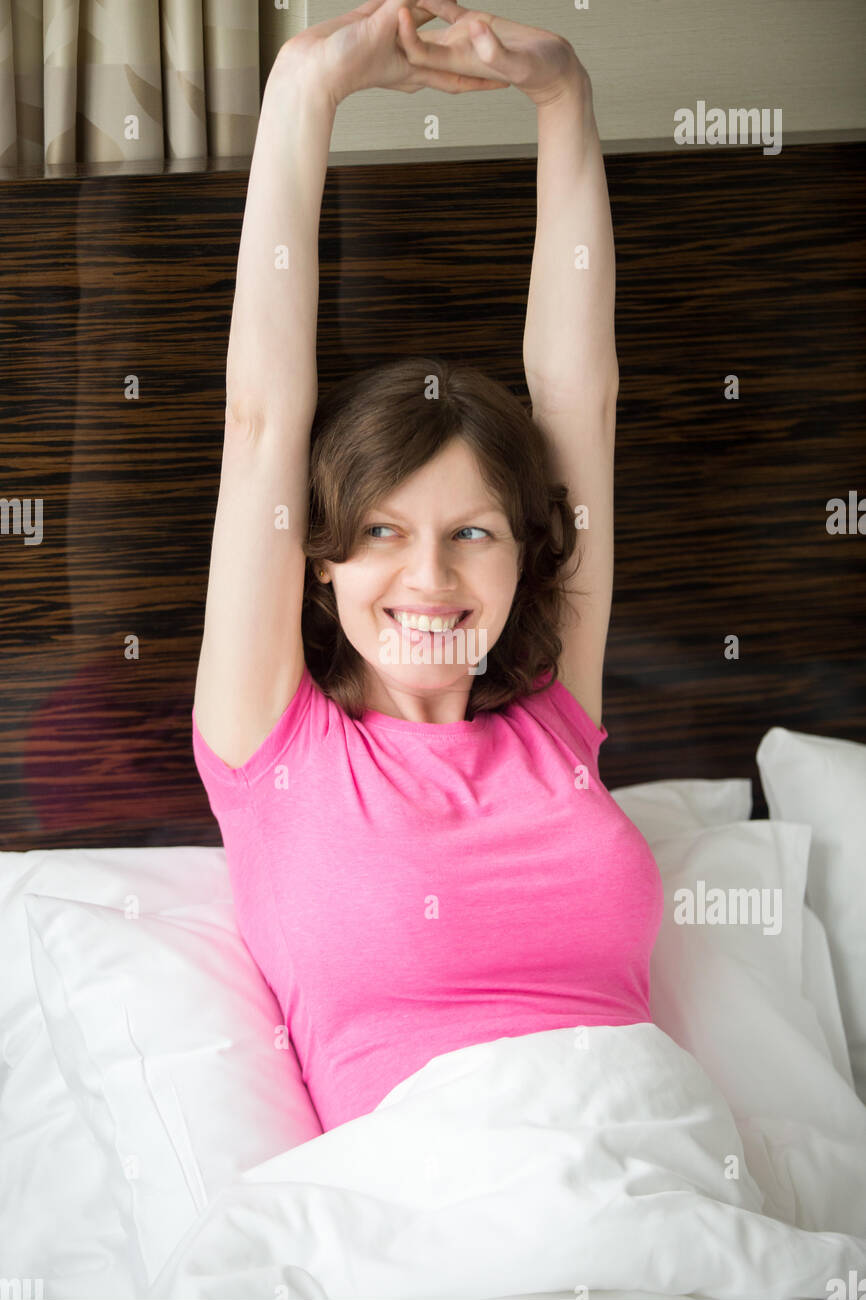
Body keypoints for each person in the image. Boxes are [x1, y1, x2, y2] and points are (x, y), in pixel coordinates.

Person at [191, 0, 663, 1133]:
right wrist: (305, 86)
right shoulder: (275, 744)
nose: (431, 578)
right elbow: (262, 419)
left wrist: (563, 97)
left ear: (525, 552)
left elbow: (575, 395)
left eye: (474, 531)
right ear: (319, 563)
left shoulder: (553, 717)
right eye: (384, 532)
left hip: (650, 1162)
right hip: (431, 1208)